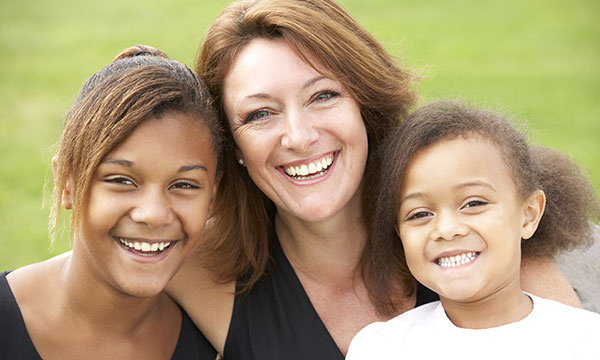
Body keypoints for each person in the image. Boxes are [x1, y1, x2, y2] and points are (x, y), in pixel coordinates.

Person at [167, 1, 583, 358]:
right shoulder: (196, 265)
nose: (298, 136)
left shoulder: (474, 241)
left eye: (323, 96)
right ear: (231, 144)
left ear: (364, 103)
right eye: (259, 114)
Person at [1, 45, 221, 359]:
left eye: (184, 185)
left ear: (212, 196)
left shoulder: (218, 336)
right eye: (121, 181)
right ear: (67, 181)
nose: (154, 215)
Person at [346, 100, 600, 359]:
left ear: (528, 214)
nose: (446, 229)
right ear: (399, 233)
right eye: (420, 214)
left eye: (473, 203)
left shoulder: (585, 342)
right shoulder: (381, 349)